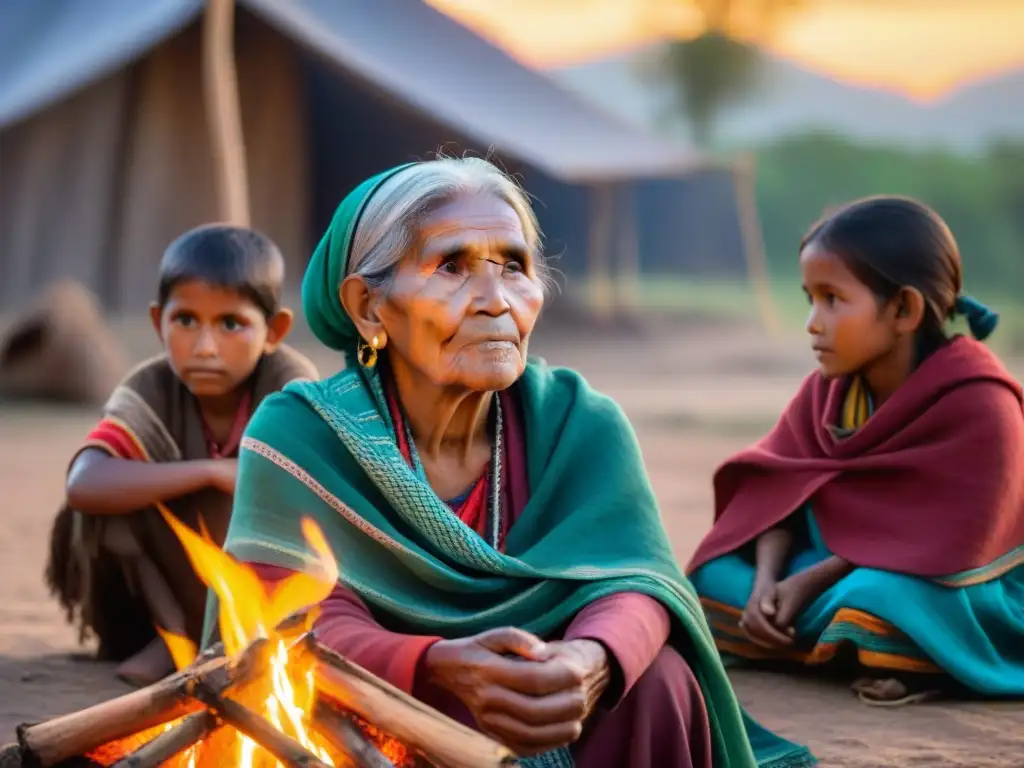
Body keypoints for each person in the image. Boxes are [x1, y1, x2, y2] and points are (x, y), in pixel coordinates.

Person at [212, 158, 815, 767]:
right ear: (369, 307)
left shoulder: (578, 422)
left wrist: (591, 661)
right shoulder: (302, 434)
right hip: (391, 700)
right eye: (452, 266)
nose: (496, 301)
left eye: (515, 266)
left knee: (657, 680)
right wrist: (438, 667)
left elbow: (638, 581)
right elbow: (285, 616)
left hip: (546, 698)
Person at [689, 196, 1024, 706]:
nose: (813, 322)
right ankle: (845, 645)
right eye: (809, 298)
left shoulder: (982, 402)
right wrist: (765, 584)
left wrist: (806, 584)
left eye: (832, 299)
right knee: (708, 578)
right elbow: (776, 494)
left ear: (904, 309)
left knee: (879, 600)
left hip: (952, 588)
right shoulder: (828, 391)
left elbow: (952, 543)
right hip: (824, 574)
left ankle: (852, 642)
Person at [45, 224, 319, 687]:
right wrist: (209, 472)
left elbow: (316, 489)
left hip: (263, 588)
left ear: (274, 330)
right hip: (169, 583)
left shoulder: (289, 384)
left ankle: (229, 640)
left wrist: (242, 478)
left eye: (231, 324)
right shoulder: (151, 385)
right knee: (106, 507)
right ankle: (175, 636)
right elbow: (84, 484)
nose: (205, 346)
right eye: (185, 321)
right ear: (158, 323)